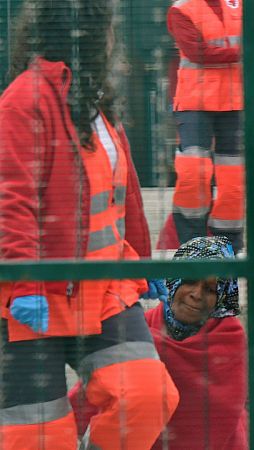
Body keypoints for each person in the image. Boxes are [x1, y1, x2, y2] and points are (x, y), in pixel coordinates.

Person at [0, 2, 179, 447]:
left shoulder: (94, 101)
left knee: (147, 396)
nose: (113, 38)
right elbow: (12, 199)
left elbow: (122, 194)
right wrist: (26, 283)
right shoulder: (26, 99)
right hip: (34, 295)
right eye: (107, 28)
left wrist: (143, 265)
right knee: (37, 437)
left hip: (103, 289)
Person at [70, 236, 250, 448]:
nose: (196, 294)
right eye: (190, 280)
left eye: (211, 290)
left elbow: (221, 413)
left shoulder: (229, 337)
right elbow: (92, 397)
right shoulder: (140, 327)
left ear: (222, 298)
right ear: (174, 280)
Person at [168, 0, 245, 251]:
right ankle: (192, 245)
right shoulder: (181, 9)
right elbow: (196, 52)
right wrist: (243, 53)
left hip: (235, 103)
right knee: (193, 173)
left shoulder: (241, 5)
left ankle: (229, 246)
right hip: (195, 102)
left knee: (234, 180)